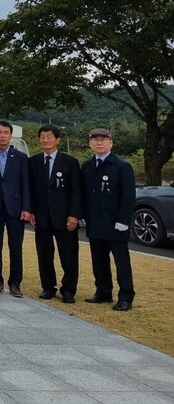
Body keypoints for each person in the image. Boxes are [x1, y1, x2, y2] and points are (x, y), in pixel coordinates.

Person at [81, 127, 136, 311]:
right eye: (95, 139)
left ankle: (126, 296)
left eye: (103, 139)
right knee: (99, 262)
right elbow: (84, 194)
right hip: (95, 223)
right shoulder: (87, 166)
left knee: (122, 264)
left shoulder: (122, 166)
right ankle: (103, 291)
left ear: (111, 143)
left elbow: (128, 197)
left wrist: (123, 221)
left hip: (115, 224)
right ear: (90, 143)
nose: (99, 142)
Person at [28, 124, 82, 303]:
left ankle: (68, 290)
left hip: (65, 217)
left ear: (57, 140)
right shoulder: (34, 161)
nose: (45, 140)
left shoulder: (70, 162)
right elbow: (31, 189)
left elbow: (76, 191)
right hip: (42, 217)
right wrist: (32, 211)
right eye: (42, 137)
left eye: (49, 136)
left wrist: (74, 214)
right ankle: (48, 287)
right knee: (44, 254)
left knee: (68, 255)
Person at [0, 120, 31, 297]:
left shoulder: (20, 157)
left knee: (16, 247)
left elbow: (26, 183)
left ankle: (15, 282)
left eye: (6, 132)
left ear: (11, 136)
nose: (2, 135)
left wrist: (26, 207)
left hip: (15, 207)